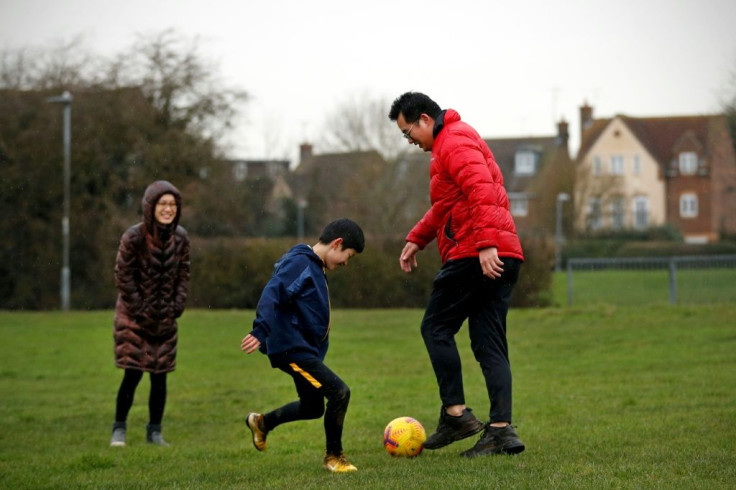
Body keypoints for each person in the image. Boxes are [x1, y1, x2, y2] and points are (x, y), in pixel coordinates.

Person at [388, 92, 526, 457]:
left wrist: (484, 244)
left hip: (474, 252)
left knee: (435, 327)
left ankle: (456, 415)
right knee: (488, 341)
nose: (409, 141)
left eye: (407, 132)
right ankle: (500, 431)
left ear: (423, 119)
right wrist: (417, 238)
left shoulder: (453, 140)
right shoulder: (453, 142)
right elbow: (448, 205)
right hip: (504, 251)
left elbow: (480, 188)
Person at [241, 218, 365, 473]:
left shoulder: (314, 268)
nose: (345, 263)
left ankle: (262, 423)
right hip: (292, 349)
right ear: (337, 244)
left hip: (302, 350)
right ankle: (334, 457)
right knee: (339, 392)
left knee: (312, 407)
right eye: (348, 256)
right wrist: (261, 329)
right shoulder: (300, 263)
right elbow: (273, 290)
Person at [110, 180, 190, 447]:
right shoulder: (133, 236)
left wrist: (176, 306)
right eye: (162, 204)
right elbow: (123, 275)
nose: (167, 209)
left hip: (165, 318)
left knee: (160, 376)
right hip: (133, 318)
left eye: (172, 204)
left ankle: (154, 432)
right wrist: (140, 309)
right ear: (150, 207)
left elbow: (183, 275)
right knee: (132, 373)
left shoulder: (181, 238)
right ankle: (118, 429)